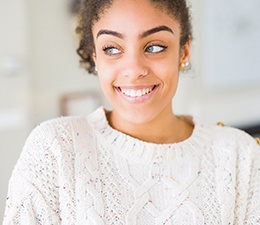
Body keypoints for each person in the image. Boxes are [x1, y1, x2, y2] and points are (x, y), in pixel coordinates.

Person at [3, 0, 260, 224]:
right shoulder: (55, 150)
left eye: (155, 46)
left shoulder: (239, 154)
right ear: (95, 56)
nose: (134, 69)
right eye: (111, 49)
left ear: (184, 51)